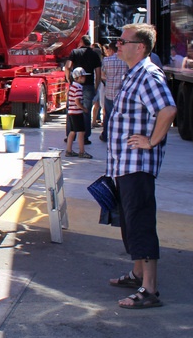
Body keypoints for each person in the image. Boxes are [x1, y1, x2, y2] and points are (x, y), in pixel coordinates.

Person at [105, 23, 176, 309]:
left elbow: (168, 109)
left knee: (141, 222)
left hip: (138, 165)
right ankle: (137, 274)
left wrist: (151, 141)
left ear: (140, 47)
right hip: (125, 164)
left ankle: (149, 290)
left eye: (123, 41)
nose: (117, 45)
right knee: (130, 222)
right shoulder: (133, 74)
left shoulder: (148, 75)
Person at [65, 35, 102, 146]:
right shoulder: (95, 54)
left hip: (75, 84)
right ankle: (85, 137)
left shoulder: (75, 52)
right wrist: (96, 86)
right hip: (88, 85)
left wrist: (69, 79)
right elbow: (98, 72)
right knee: (86, 111)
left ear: (81, 42)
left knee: (71, 110)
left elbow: (67, 66)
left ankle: (70, 135)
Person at [99, 42, 130, 142]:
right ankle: (119, 135)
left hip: (109, 91)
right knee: (121, 115)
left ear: (111, 50)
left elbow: (102, 75)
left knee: (108, 115)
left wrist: (108, 79)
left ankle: (106, 135)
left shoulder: (106, 60)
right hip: (121, 92)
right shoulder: (126, 61)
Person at [65, 67, 92, 158]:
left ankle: (69, 150)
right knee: (81, 132)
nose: (85, 78)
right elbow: (77, 101)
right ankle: (82, 151)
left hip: (71, 112)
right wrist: (84, 109)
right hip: (77, 113)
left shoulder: (72, 86)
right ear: (78, 77)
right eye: (83, 76)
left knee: (72, 131)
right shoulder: (78, 88)